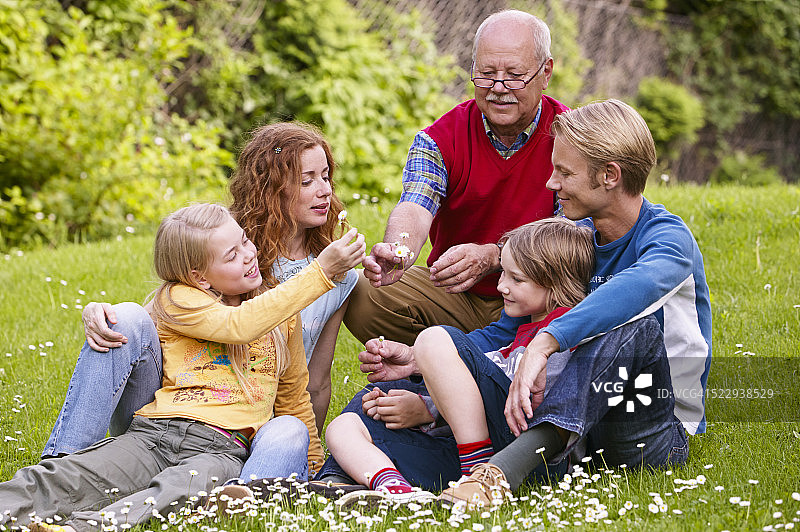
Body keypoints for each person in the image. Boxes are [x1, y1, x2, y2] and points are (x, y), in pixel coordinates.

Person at [0, 203, 366, 531]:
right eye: (232, 254)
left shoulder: (281, 318)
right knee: (69, 477)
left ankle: (84, 527)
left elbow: (293, 397)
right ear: (200, 277)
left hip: (222, 448)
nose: (248, 255)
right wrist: (321, 273)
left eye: (244, 242)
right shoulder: (181, 298)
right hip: (154, 434)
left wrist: (316, 466)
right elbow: (239, 325)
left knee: (174, 491)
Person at [415, 99, 709, 506]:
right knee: (410, 373)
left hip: (650, 424)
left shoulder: (667, 241)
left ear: (609, 176)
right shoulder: (575, 237)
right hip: (576, 423)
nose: (551, 184)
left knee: (632, 330)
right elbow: (512, 329)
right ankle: (366, 475)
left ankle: (498, 474)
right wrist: (419, 361)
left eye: (564, 172)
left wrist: (546, 342)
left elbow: (629, 293)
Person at [43, 123, 358, 479]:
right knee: (125, 319)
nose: (325, 191)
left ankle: (237, 484)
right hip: (175, 405)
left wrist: (306, 457)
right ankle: (62, 463)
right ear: (273, 189)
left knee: (285, 432)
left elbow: (313, 383)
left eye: (326, 177)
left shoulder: (339, 274)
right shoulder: (232, 243)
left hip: (249, 421)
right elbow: (163, 311)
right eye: (307, 181)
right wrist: (100, 313)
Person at [320, 218, 594, 506]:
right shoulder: (520, 323)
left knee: (434, 340)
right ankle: (387, 487)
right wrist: (417, 374)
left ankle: (477, 473)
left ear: (555, 283)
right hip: (463, 446)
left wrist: (430, 411)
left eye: (516, 279)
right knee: (344, 425)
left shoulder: (565, 334)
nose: (501, 286)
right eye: (503, 274)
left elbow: (539, 410)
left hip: (521, 460)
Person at [343, 9, 569, 348]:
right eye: (487, 73)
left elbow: (574, 237)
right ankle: (449, 360)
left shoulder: (571, 138)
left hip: (539, 296)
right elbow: (416, 205)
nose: (498, 88)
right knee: (362, 295)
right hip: (457, 295)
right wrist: (399, 249)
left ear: (545, 72)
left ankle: (452, 361)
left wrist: (495, 256)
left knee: (584, 302)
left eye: (514, 75)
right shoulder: (440, 138)